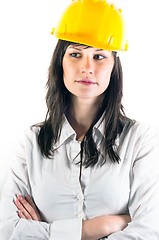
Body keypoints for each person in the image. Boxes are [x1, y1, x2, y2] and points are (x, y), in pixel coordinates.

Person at [0, 0, 159, 239]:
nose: (87, 67)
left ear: (114, 66)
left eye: (99, 56)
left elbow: (148, 229)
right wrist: (103, 226)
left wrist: (47, 231)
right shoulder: (31, 142)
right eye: (75, 54)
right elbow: (8, 229)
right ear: (60, 62)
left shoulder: (140, 140)